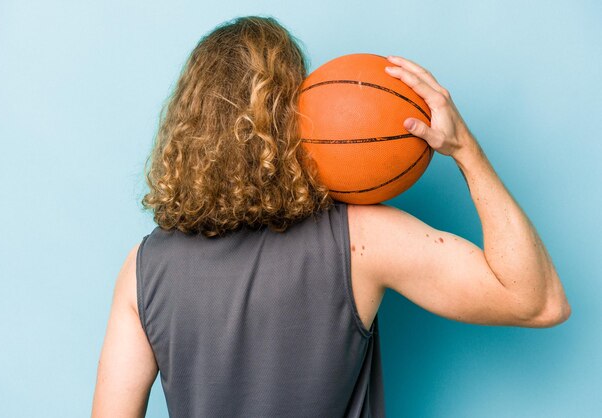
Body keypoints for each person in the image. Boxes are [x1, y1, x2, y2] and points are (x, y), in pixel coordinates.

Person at [91, 15, 571, 418]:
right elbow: (539, 301)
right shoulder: (361, 237)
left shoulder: (142, 270)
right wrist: (466, 149)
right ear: (295, 116)